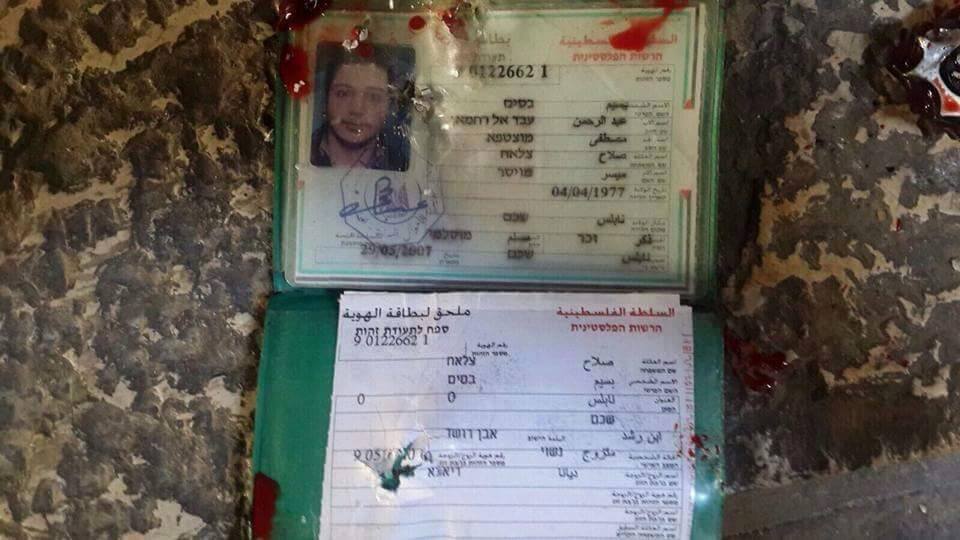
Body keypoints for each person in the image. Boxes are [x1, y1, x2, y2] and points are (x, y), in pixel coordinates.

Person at [311, 46, 410, 172]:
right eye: (343, 93)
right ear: (326, 97)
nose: (357, 110)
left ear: (389, 106)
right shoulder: (301, 151)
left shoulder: (400, 165)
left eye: (373, 97)